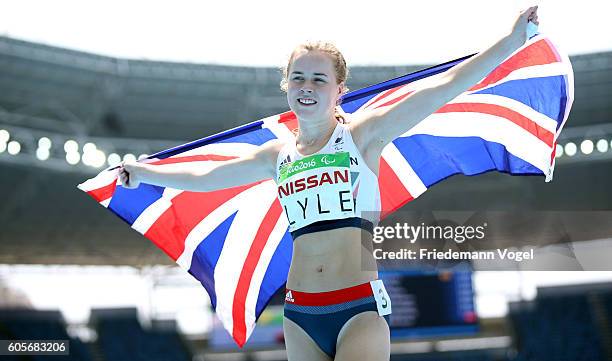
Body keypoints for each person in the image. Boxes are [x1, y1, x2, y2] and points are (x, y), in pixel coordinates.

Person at [118, 7, 539, 361]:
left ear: (339, 90)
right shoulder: (276, 157)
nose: (307, 86)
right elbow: (203, 177)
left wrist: (511, 41)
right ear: (287, 86)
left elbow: (442, 89)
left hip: (358, 307)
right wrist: (143, 173)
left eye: (319, 79)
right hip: (300, 313)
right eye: (298, 78)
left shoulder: (361, 136)